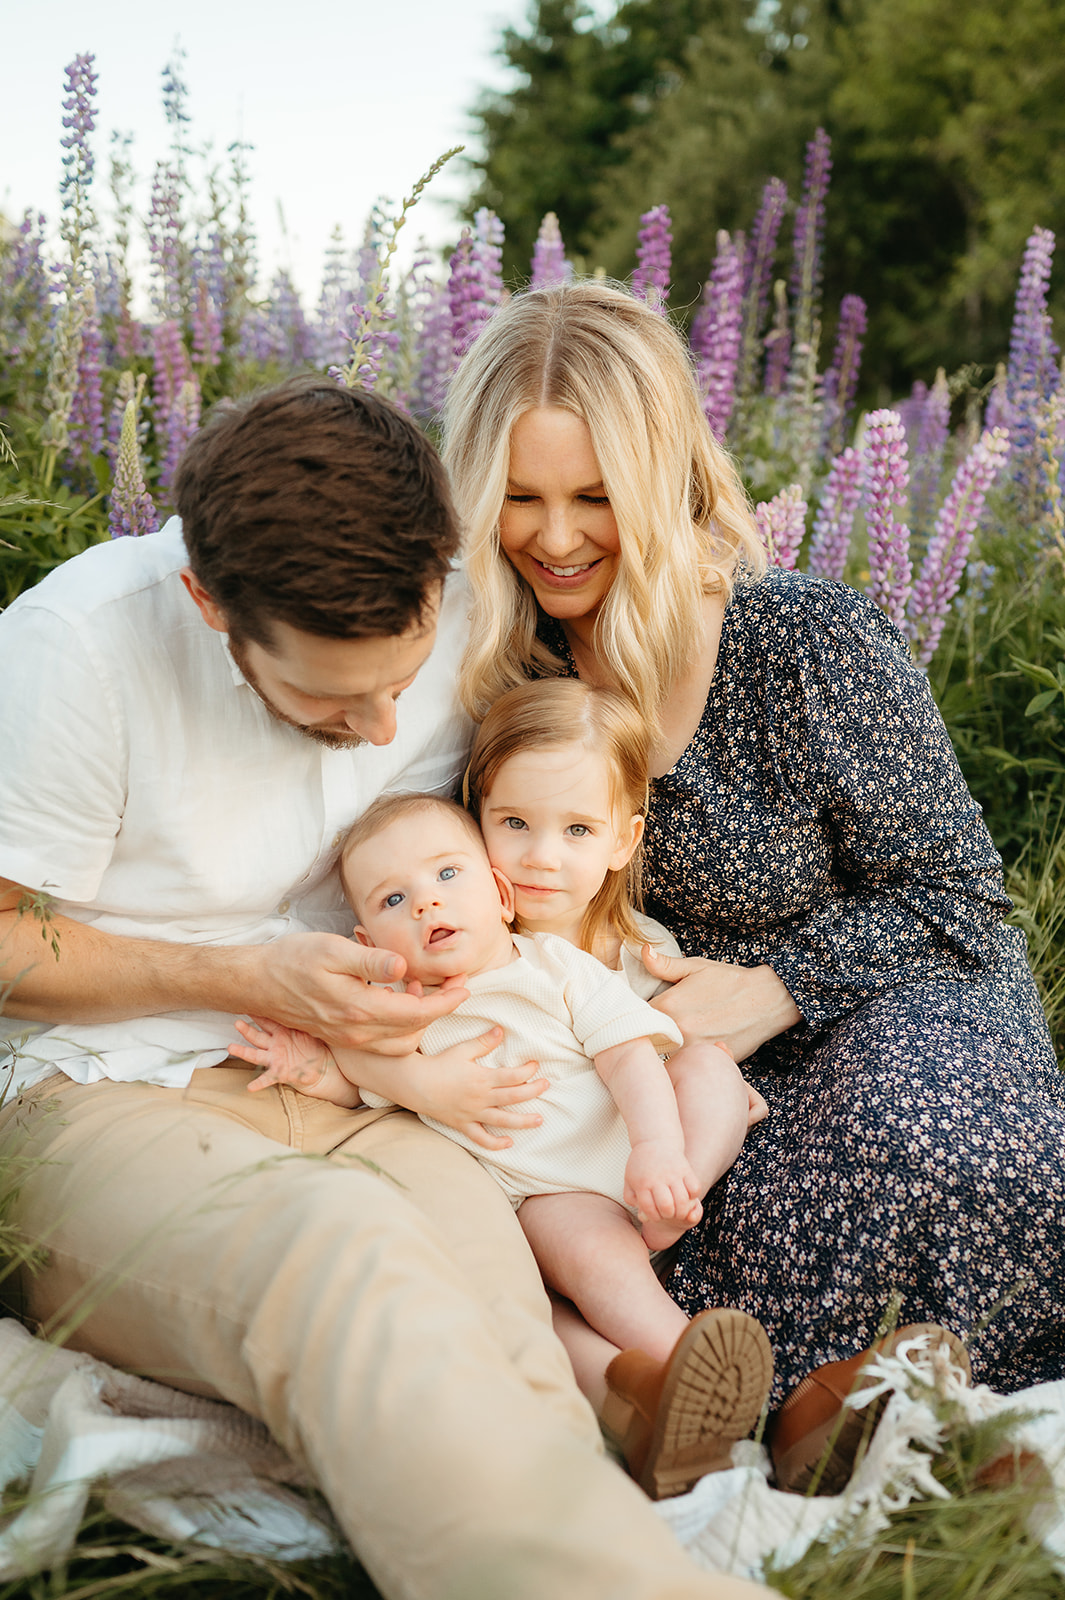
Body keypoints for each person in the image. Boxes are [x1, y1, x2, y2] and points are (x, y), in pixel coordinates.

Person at [0, 374, 777, 1600]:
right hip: (106, 1083)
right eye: (324, 696)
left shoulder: (463, 597)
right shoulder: (79, 650)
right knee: (340, 1252)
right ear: (211, 605)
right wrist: (242, 974)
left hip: (379, 1086)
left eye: (397, 682)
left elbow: (605, 750)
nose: (376, 730)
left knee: (500, 1312)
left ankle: (599, 1514)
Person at [441, 277, 1065, 1490]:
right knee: (624, 1199)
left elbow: (955, 898)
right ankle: (808, 1409)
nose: (556, 537)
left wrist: (773, 987)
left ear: (667, 480)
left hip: (883, 1000)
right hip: (640, 1043)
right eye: (520, 497)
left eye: (595, 497)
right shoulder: (501, 671)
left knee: (928, 1141)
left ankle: (885, 1408)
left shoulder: (804, 641)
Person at [232, 787, 773, 1499]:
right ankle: (684, 1364)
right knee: (577, 1262)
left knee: (705, 1066)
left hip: (649, 1147)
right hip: (559, 1197)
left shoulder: (553, 966)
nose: (426, 903)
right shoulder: (400, 1023)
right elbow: (356, 1084)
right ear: (368, 947)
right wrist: (307, 1069)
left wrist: (659, 1152)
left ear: (498, 892)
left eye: (446, 876)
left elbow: (626, 1056)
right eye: (392, 900)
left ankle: (681, 1192)